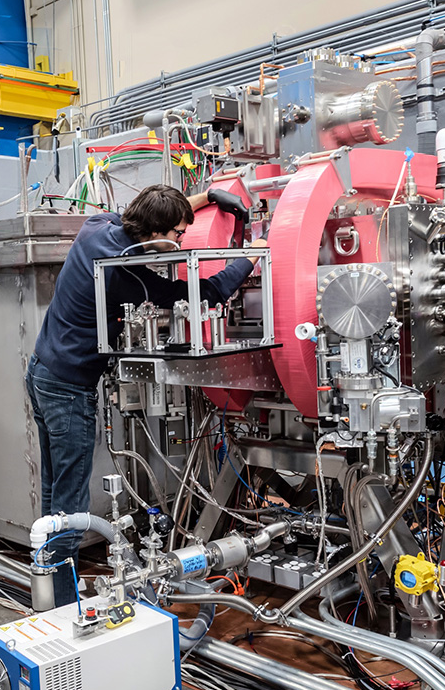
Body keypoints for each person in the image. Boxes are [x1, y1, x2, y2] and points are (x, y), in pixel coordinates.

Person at [25, 184, 268, 606]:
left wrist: (206, 197)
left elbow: (142, 217)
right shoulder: (125, 271)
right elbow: (202, 295)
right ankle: (62, 615)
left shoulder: (97, 227)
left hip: (43, 372)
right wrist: (252, 256)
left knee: (51, 505)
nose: (179, 242)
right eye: (177, 234)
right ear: (155, 233)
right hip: (68, 390)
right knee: (68, 511)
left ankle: (46, 595)